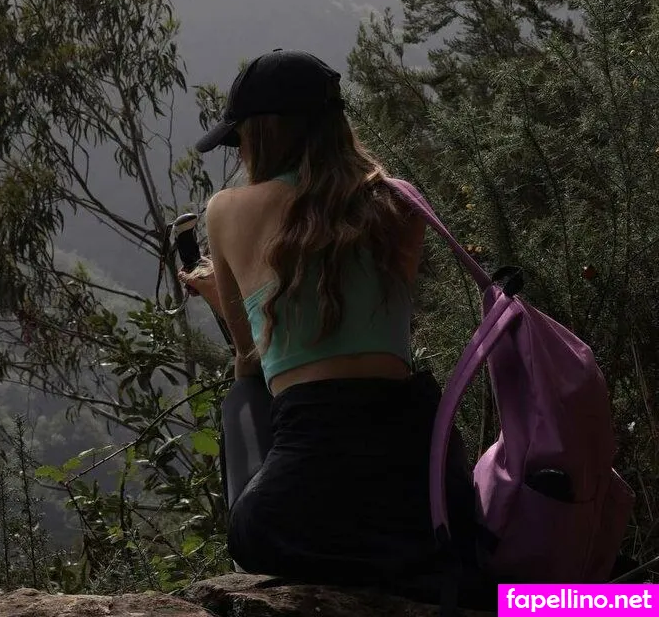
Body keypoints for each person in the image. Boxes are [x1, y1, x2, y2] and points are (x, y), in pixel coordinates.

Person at [180, 49, 482, 600]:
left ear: (262, 134)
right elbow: (360, 333)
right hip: (424, 492)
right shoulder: (397, 202)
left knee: (245, 417)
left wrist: (221, 296)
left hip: (302, 499)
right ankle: (621, 605)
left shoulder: (225, 210)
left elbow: (252, 358)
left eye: (239, 138)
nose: (239, 152)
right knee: (442, 566)